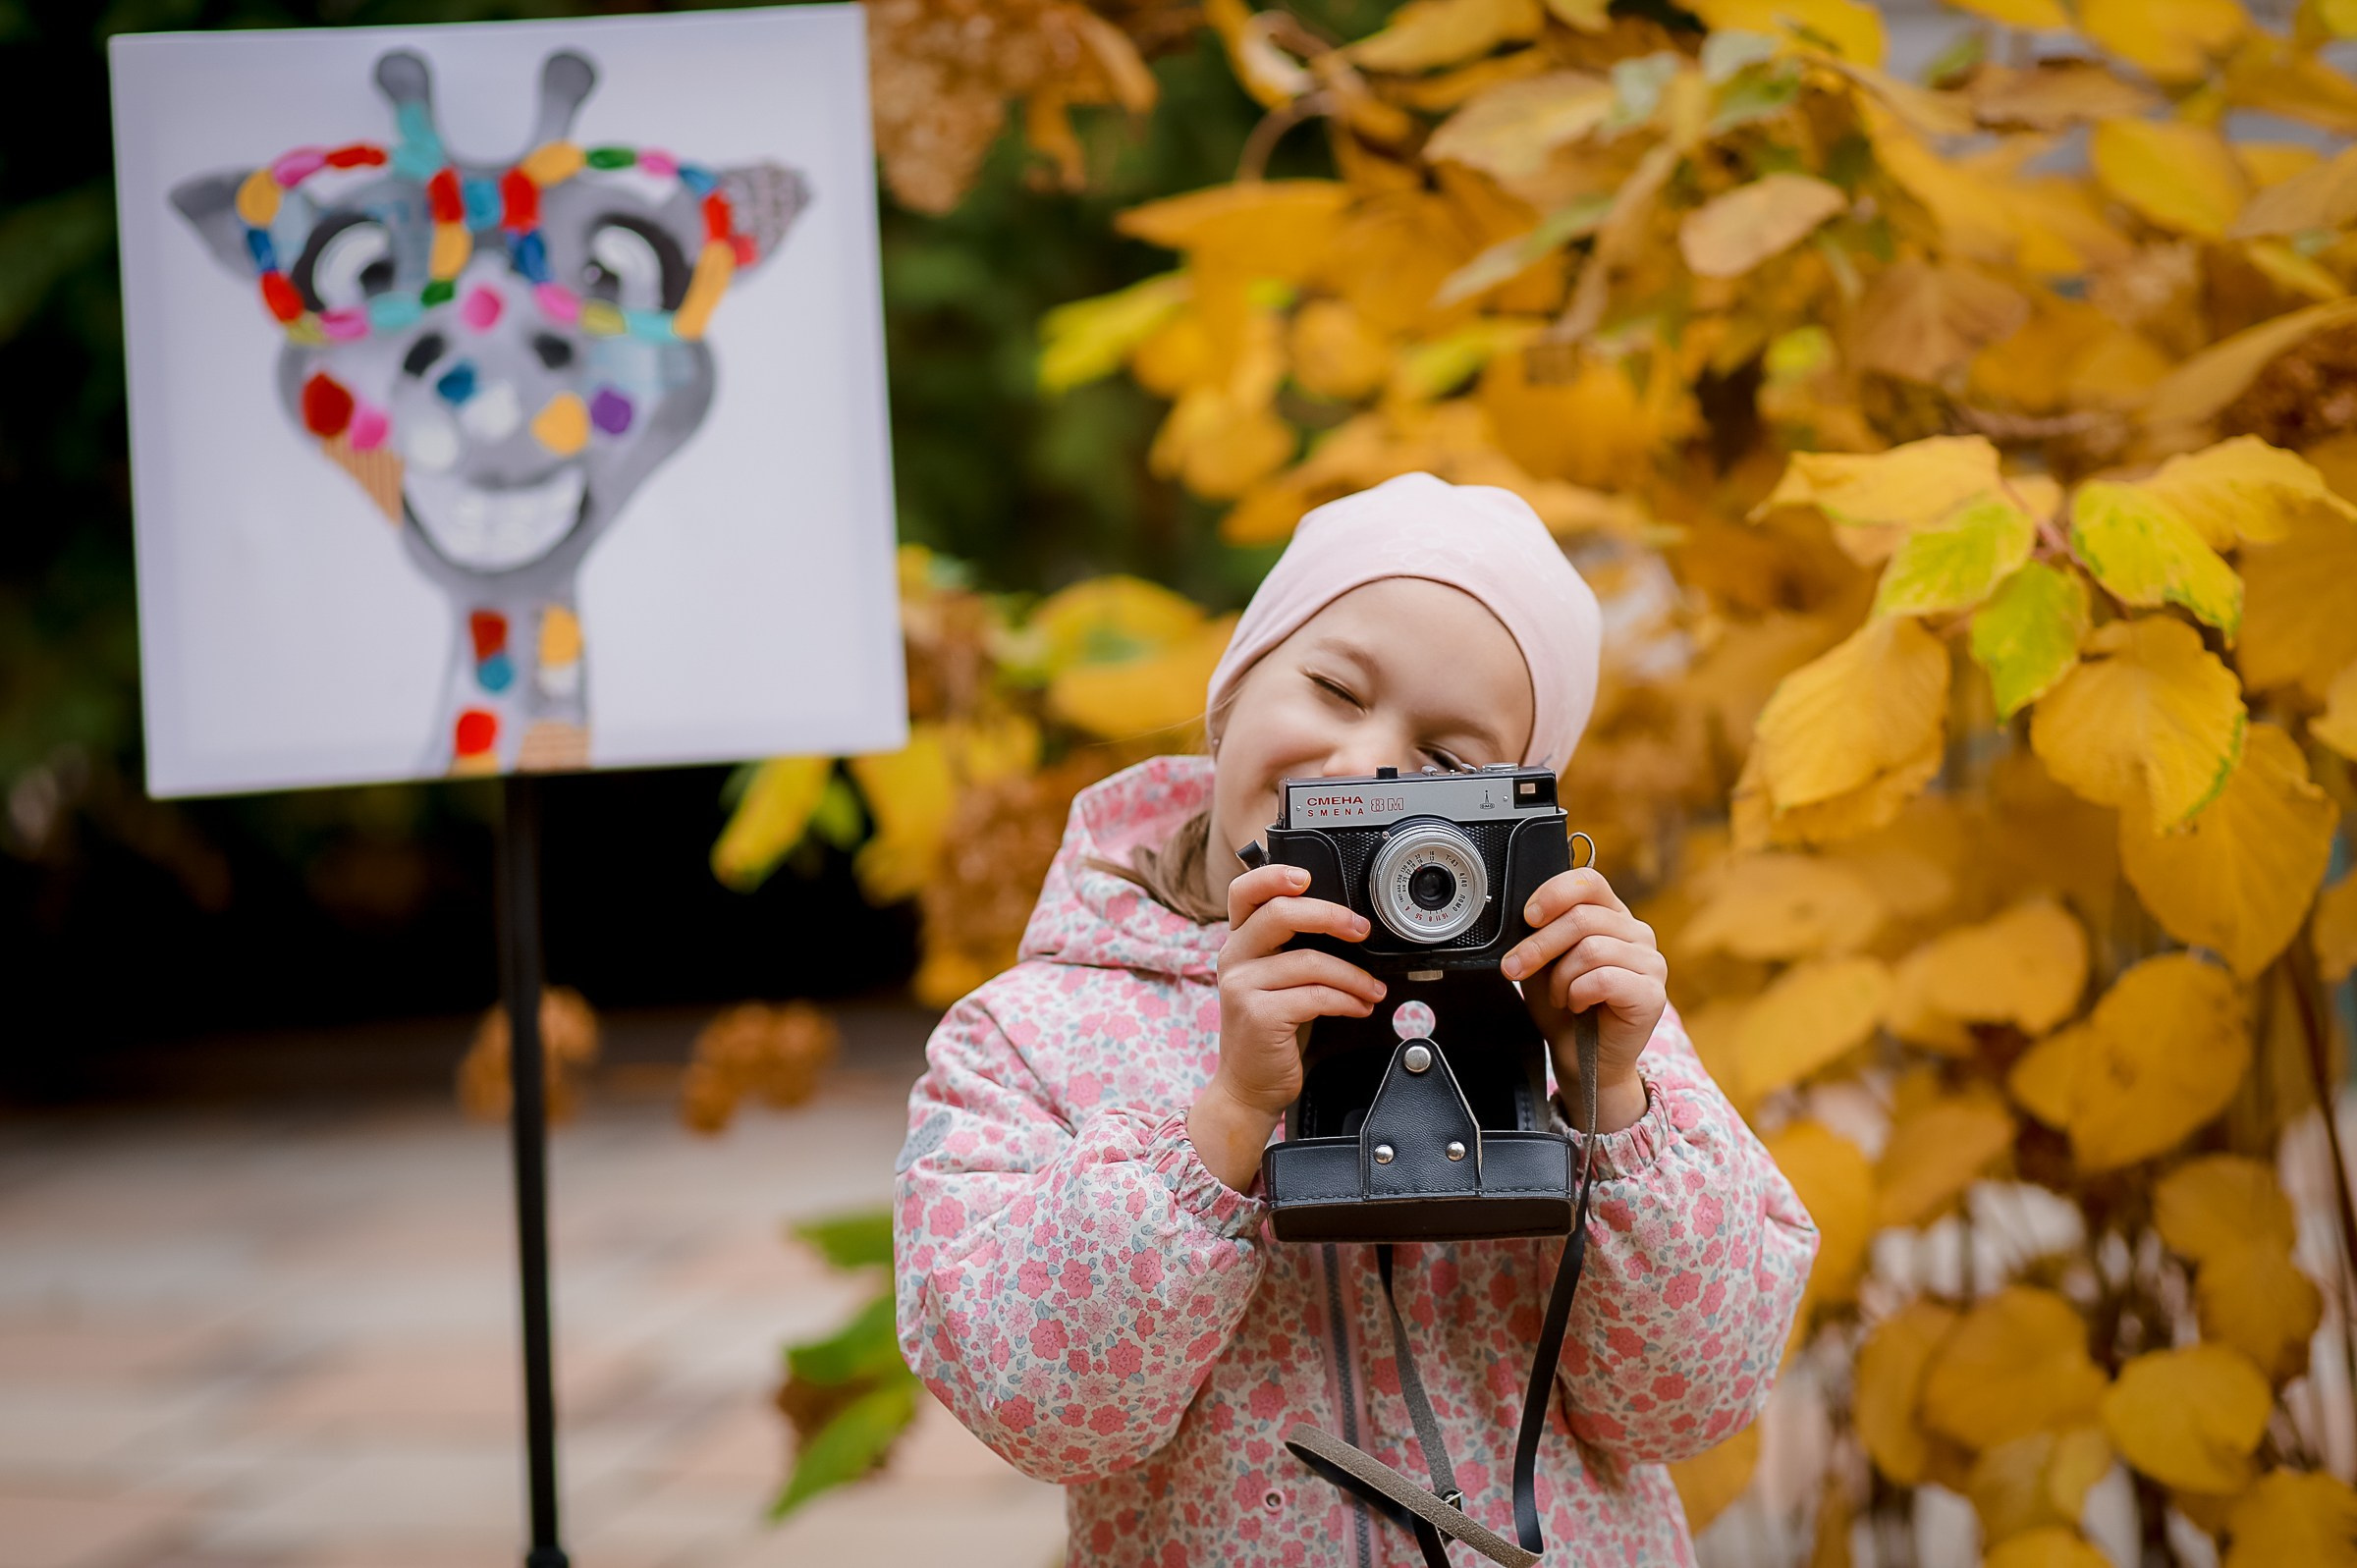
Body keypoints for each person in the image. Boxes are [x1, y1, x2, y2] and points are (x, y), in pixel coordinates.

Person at [893, 471, 1818, 1566]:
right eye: (1335, 687)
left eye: (1448, 760)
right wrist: (1227, 1121)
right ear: (1232, 689)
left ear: (1516, 806)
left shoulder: (1572, 1010)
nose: (1369, 765)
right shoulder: (1033, 1035)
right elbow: (1037, 1403)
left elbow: (1691, 1399)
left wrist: (1615, 1100)